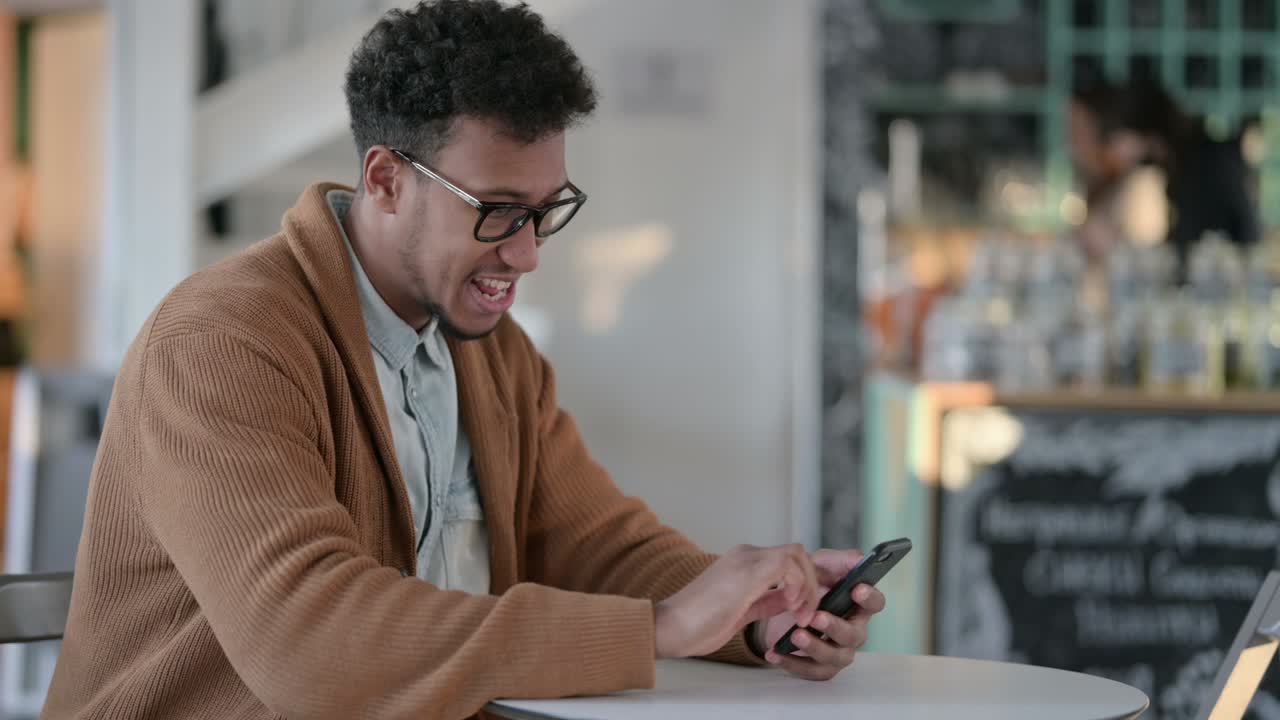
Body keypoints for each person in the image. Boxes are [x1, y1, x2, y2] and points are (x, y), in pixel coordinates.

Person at [42, 2, 885, 718]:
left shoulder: (492, 356)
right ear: (384, 181)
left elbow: (594, 545)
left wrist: (757, 612)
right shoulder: (223, 345)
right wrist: (658, 629)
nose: (525, 256)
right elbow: (308, 640)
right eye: (497, 213)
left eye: (545, 213)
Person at [1068, 78, 1260, 273]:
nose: (1074, 146)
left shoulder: (1202, 164)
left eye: (1079, 132)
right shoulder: (1156, 170)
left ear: (1124, 137)